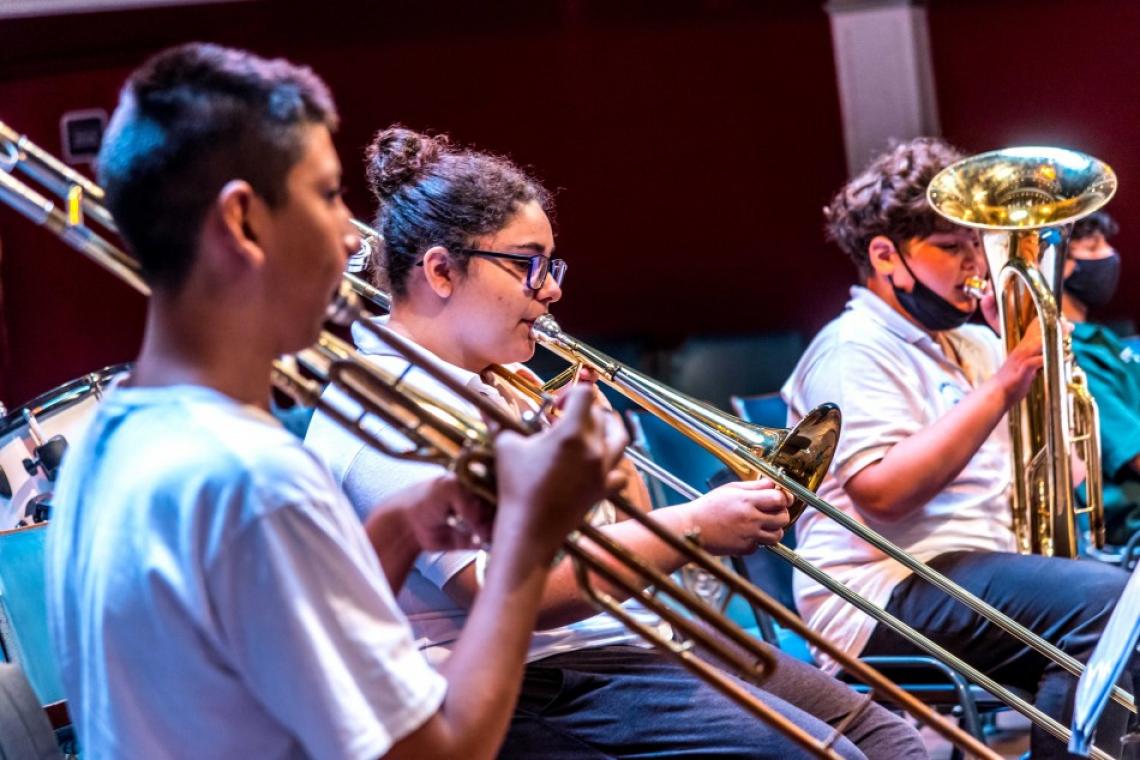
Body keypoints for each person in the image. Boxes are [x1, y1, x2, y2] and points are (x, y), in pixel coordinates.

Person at [44, 42, 629, 760]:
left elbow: (270, 654)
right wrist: (530, 535)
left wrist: (401, 531)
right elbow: (441, 755)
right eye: (326, 196)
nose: (353, 235)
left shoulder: (111, 439)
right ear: (243, 222)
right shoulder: (255, 482)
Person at [304, 125, 928, 758]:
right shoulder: (385, 406)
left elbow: (615, 536)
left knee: (888, 740)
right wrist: (694, 528)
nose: (551, 289)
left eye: (552, 265)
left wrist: (610, 466)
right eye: (527, 264)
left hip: (621, 646)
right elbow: (511, 595)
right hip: (537, 682)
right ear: (441, 271)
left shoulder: (501, 383)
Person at [782, 136, 1139, 759]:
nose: (975, 265)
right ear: (886, 256)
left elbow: (1075, 476)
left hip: (971, 570)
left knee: (1125, 611)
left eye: (977, 244)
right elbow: (883, 494)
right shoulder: (851, 348)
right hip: (881, 591)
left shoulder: (974, 344)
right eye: (951, 248)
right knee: (1103, 608)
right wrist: (1005, 384)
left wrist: (1041, 373)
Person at [1061, 210, 1140, 546]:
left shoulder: (1102, 338)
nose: (1110, 255)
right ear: (1060, 264)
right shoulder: (1069, 352)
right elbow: (1133, 452)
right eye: (1093, 248)